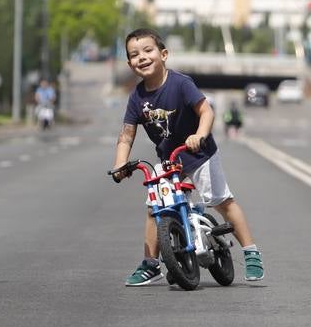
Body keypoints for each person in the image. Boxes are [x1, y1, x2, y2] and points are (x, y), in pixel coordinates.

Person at [111, 28, 265, 284]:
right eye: (135, 55)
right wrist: (120, 164)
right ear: (129, 64)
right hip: (170, 160)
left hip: (198, 154)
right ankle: (151, 265)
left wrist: (200, 135)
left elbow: (206, 112)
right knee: (155, 208)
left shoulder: (181, 83)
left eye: (148, 51)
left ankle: (251, 252)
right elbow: (126, 135)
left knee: (222, 200)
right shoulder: (137, 97)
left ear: (164, 54)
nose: (142, 58)